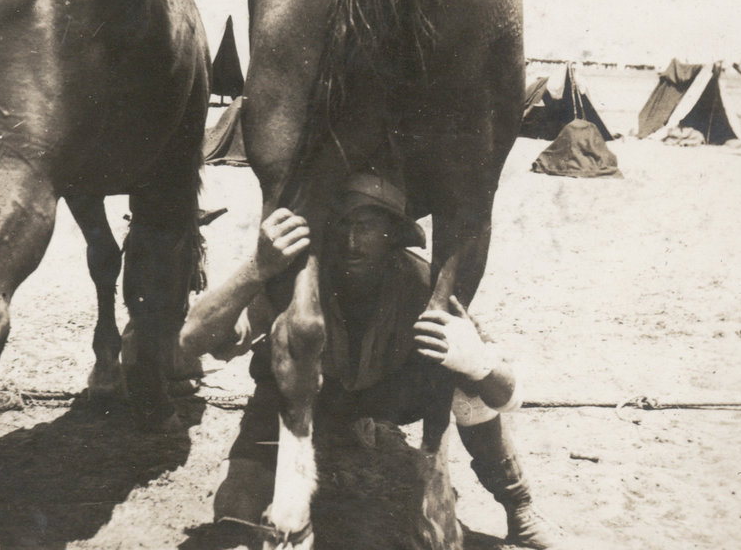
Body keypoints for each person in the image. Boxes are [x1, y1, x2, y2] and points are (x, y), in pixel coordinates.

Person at [181, 172, 566, 549]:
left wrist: (479, 363)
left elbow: (505, 394)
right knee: (235, 524)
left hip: (391, 397)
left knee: (466, 383)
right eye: (341, 225)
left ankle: (520, 507)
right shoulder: (295, 284)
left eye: (366, 227)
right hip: (303, 402)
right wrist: (256, 269)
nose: (351, 242)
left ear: (393, 236)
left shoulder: (421, 285)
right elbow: (194, 338)